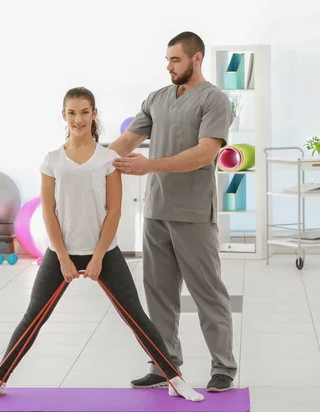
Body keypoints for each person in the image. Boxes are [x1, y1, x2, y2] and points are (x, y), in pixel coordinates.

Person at [0, 87, 204, 403]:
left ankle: (175, 379)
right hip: (60, 253)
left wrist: (97, 257)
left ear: (94, 114)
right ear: (63, 116)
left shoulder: (108, 159)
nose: (78, 119)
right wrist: (63, 258)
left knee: (135, 315)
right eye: (72, 112)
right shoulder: (52, 160)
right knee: (34, 316)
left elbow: (114, 210)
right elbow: (48, 212)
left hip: (104, 252)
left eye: (84, 112)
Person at [107, 31, 237, 392]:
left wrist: (151, 166)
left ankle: (223, 366)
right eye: (167, 60)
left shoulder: (215, 101)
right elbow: (127, 141)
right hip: (156, 211)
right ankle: (163, 364)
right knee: (158, 293)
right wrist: (86, 162)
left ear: (196, 59)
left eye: (175, 60)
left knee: (207, 292)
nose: (169, 66)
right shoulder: (157, 99)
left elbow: (204, 153)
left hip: (193, 212)